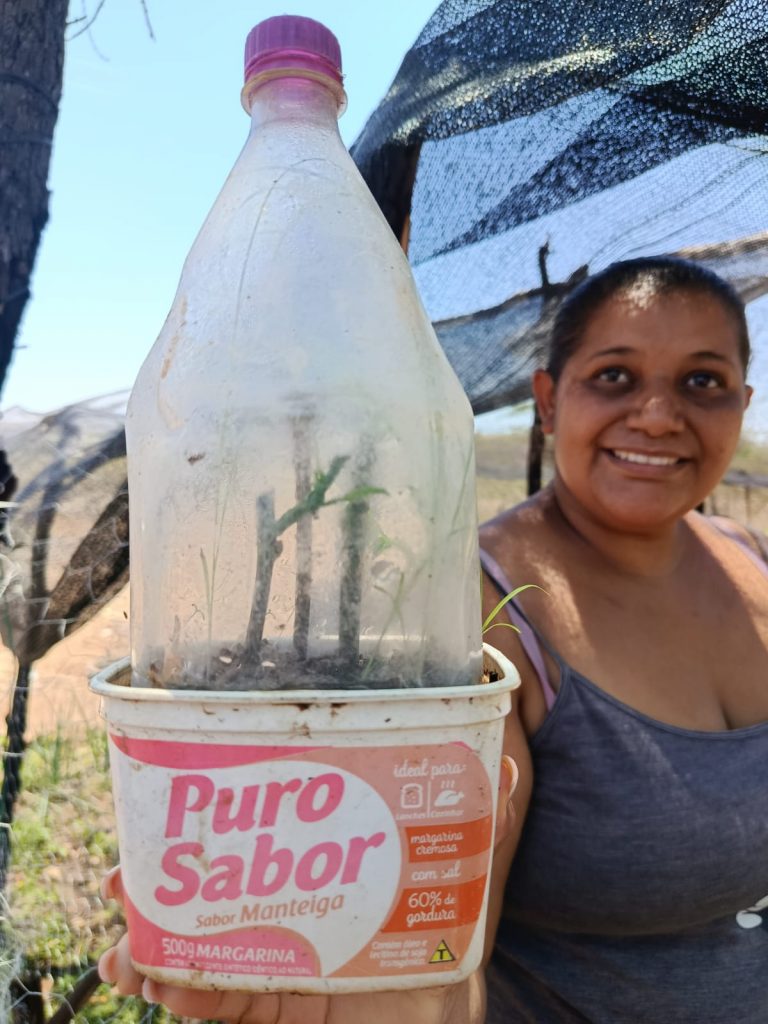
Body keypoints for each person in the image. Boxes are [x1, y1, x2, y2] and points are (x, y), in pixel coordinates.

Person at [99, 256, 768, 1022]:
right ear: (547, 402)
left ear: (742, 405)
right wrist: (381, 1005)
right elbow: (446, 958)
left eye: (702, 381)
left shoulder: (751, 558)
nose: (656, 415)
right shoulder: (470, 605)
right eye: (614, 376)